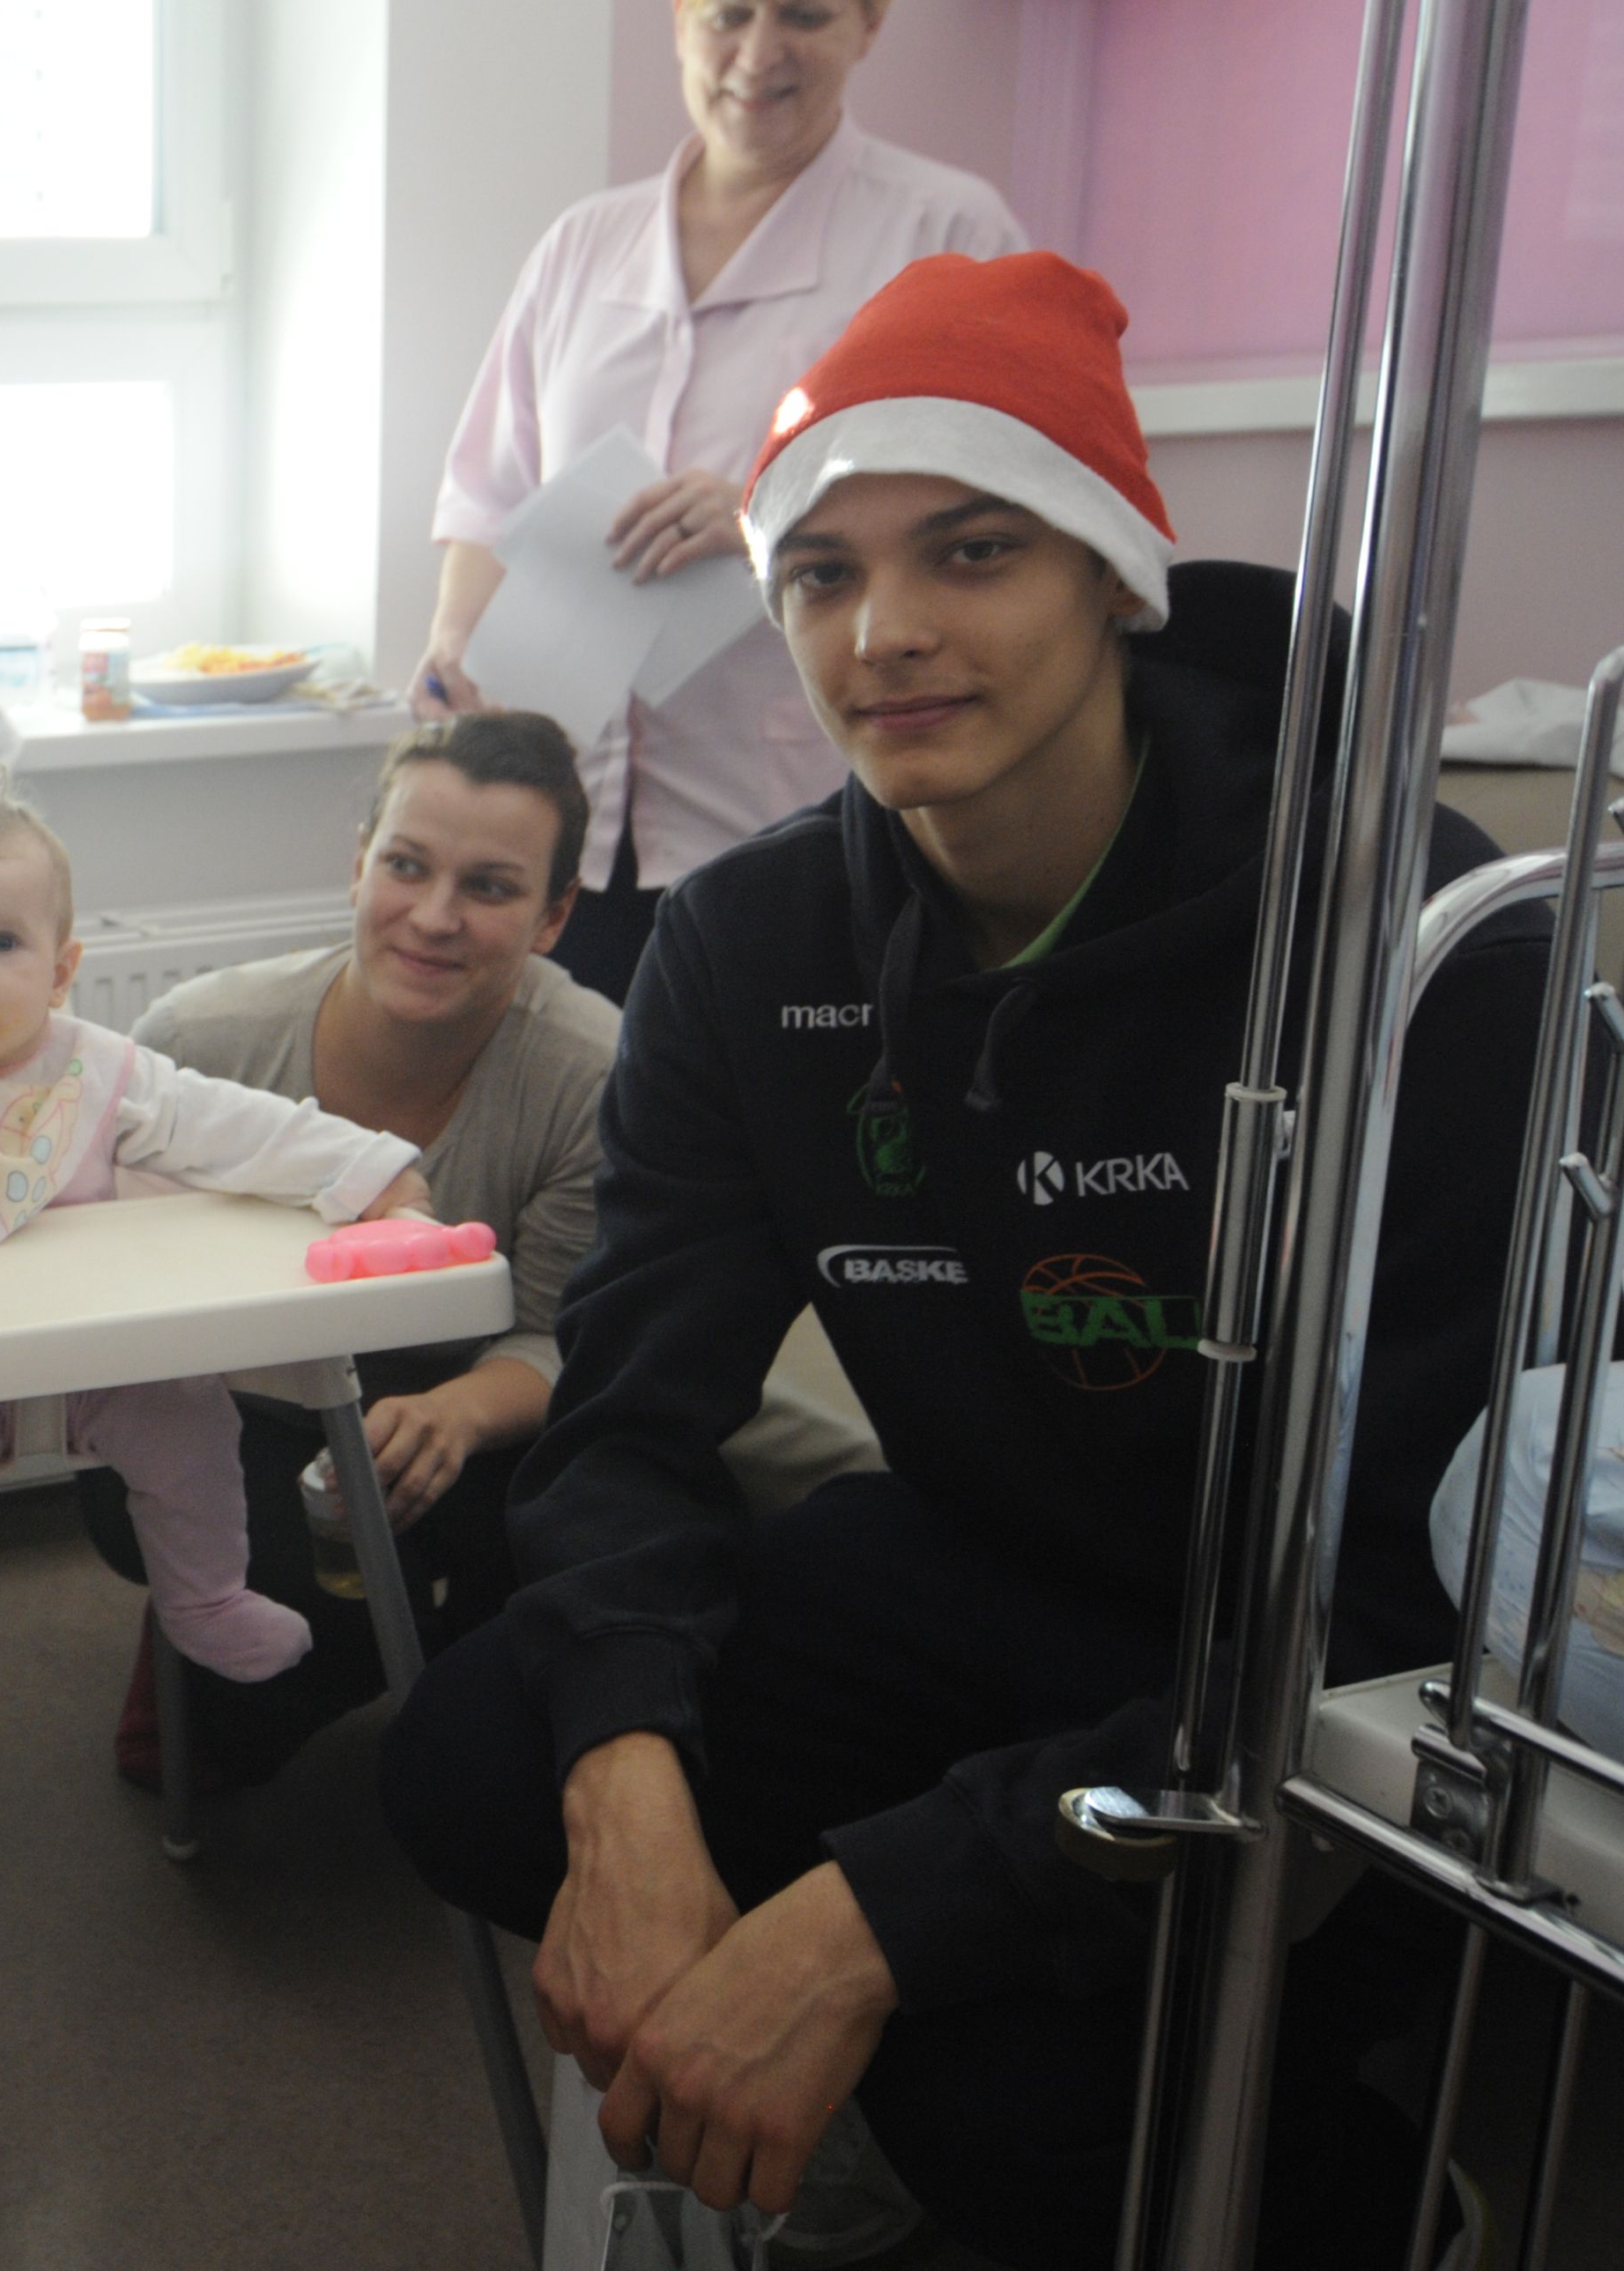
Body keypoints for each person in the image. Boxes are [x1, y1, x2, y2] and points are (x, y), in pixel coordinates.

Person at [376, 254, 1542, 2270]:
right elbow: (632, 1411)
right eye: (820, 573)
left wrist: (867, 1923)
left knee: (1001, 2083)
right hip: (984, 1566)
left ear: (1113, 578)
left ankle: (1352, 2199)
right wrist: (626, 1786)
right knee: (485, 1758)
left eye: (974, 550)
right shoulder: (751, 951)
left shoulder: (1411, 941)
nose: (886, 630)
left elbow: (1405, 1595)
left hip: (1301, 1674)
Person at [409, 0, 1021, 1002]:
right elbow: (490, 492)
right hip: (567, 828)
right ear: (681, 17)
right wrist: (453, 640)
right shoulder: (582, 247)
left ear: (869, 22)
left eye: (805, 14)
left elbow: (994, 515)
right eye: (728, 12)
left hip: (796, 804)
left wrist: (763, 514)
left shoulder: (943, 233)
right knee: (580, 1101)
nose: (758, 52)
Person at [0, 772, 429, 1744]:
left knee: (192, 1422)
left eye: (1, 944)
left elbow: (238, 1130)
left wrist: (368, 1169)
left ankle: (206, 1598)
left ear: (61, 969)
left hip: (101, 1358)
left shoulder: (101, 1072)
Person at [73, 712, 616, 1785]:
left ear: (552, 917)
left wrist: (457, 1413)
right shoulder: (198, 1043)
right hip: (227, 1408)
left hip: (471, 1404)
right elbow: (103, 1298)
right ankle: (218, 1654)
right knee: (318, 1637)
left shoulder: (588, 1075)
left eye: (489, 888)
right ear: (359, 862)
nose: (434, 917)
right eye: (405, 866)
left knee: (570, 1578)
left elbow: (564, 1331)